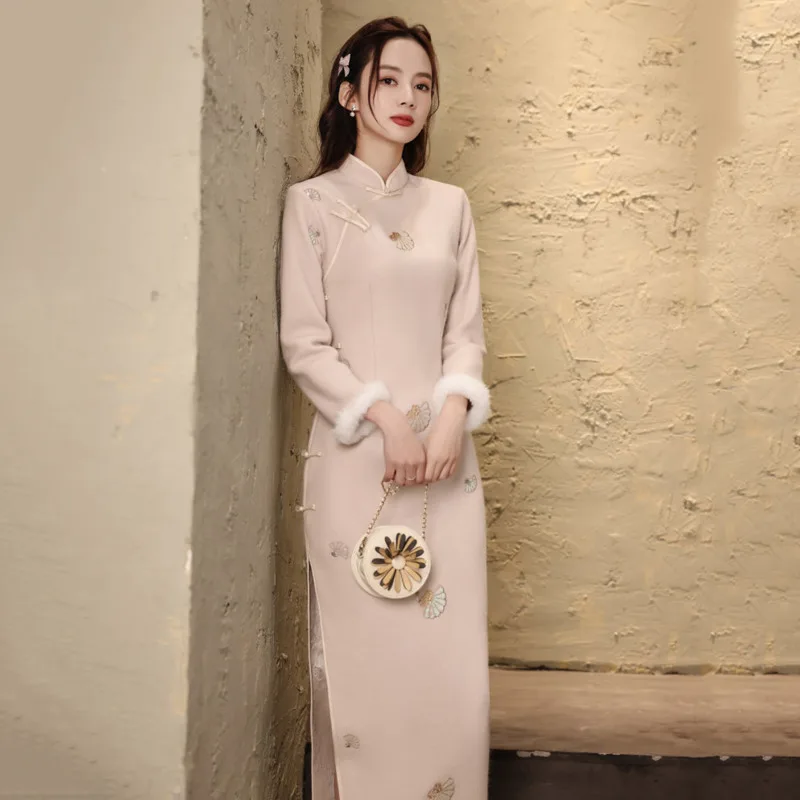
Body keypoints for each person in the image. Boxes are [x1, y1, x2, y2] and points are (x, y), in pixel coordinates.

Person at [279, 16, 491, 800]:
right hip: (357, 460)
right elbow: (305, 343)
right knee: (366, 665)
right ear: (349, 93)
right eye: (389, 80)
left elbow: (465, 336)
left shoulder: (450, 207)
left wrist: (449, 415)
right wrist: (387, 418)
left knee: (448, 670)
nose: (408, 98)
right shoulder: (312, 205)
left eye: (423, 84)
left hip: (445, 463)